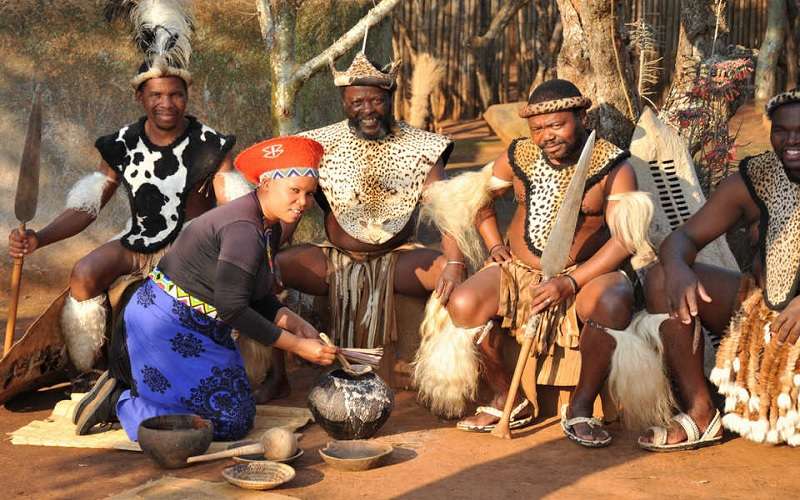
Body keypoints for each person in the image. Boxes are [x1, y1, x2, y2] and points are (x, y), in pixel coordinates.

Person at [5, 1, 250, 375]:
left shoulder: (210, 143)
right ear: (140, 97)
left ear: (186, 96)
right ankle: (96, 369)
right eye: (157, 95)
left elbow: (237, 207)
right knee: (85, 273)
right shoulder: (123, 142)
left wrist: (249, 248)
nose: (166, 103)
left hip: (194, 245)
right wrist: (40, 238)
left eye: (175, 95)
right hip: (138, 240)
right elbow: (88, 205)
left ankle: (215, 368)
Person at [413, 79, 654, 447]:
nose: (547, 136)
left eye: (557, 125)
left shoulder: (613, 166)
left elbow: (625, 240)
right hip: (518, 271)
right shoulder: (519, 155)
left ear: (581, 117)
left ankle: (581, 406)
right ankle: (508, 396)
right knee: (462, 304)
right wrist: (494, 244)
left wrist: (571, 284)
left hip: (586, 274)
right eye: (538, 128)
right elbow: (476, 197)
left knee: (611, 301)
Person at [73, 136, 337, 439]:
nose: (303, 202)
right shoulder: (244, 231)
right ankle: (124, 404)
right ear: (265, 184)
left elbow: (255, 295)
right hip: (167, 326)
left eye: (308, 193)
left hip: (199, 324)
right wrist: (298, 345)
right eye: (294, 191)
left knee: (238, 410)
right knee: (229, 422)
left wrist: (296, 323)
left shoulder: (266, 224)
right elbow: (234, 308)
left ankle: (135, 392)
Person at [638, 88, 800, 451]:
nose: (791, 141)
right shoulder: (755, 179)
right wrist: (678, 265)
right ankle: (700, 412)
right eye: (782, 130)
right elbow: (682, 239)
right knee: (662, 277)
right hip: (769, 320)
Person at [274, 51, 465, 353]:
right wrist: (268, 252)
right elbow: (291, 208)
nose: (368, 110)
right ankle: (277, 376)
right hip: (332, 259)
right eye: (357, 103)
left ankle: (439, 377)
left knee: (453, 279)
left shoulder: (423, 146)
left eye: (376, 101)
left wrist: (454, 262)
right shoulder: (319, 144)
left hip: (398, 259)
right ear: (344, 103)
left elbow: (447, 208)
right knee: (269, 272)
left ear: (391, 98)